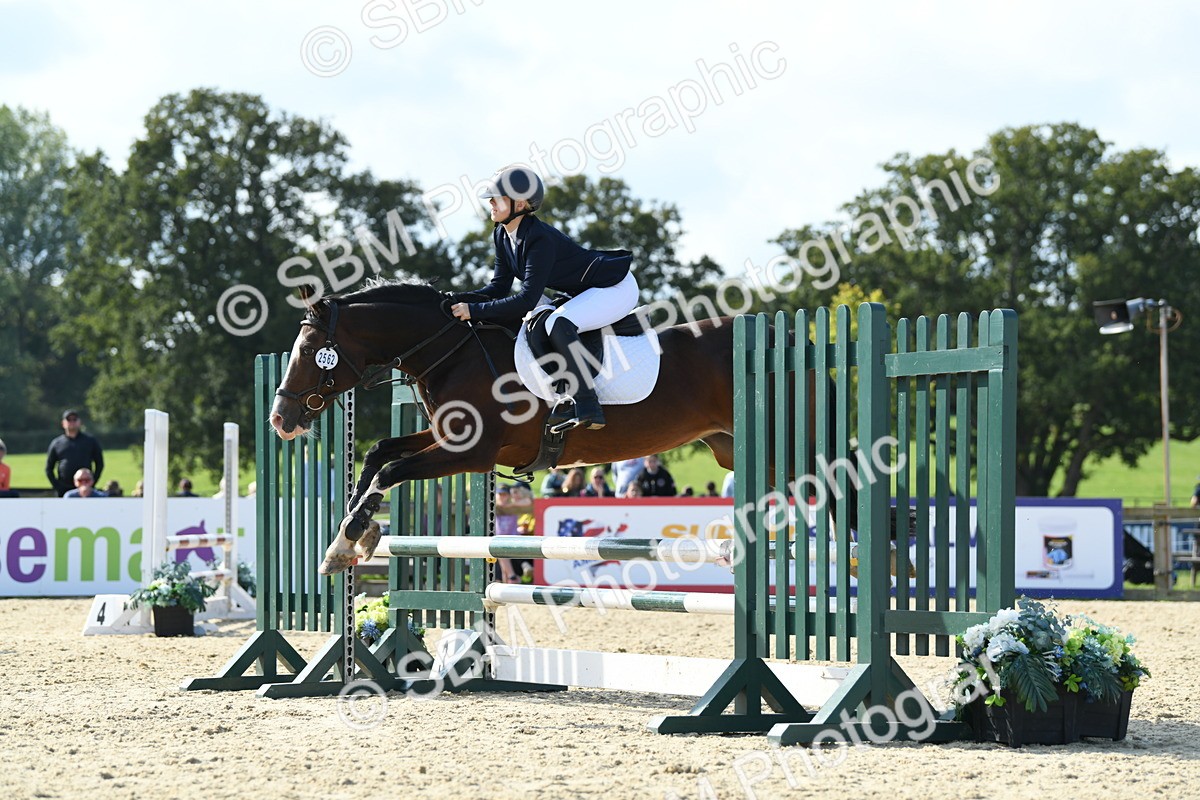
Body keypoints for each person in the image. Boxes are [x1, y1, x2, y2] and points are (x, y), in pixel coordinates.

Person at [448, 165, 637, 430]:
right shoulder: (502, 234)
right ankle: (564, 395)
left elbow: (526, 299)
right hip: (583, 293)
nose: (490, 201)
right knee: (538, 326)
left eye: (498, 197)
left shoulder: (539, 239)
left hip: (615, 288)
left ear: (521, 203)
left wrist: (475, 311)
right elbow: (499, 287)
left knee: (558, 324)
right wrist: (455, 299)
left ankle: (588, 404)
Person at [45, 410, 104, 497]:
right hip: (63, 490)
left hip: (85, 490)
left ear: (79, 422)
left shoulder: (90, 441)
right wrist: (57, 486)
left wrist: (92, 483)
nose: (72, 422)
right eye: (69, 420)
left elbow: (99, 464)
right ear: (63, 423)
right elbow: (49, 468)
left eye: (74, 419)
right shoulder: (57, 443)